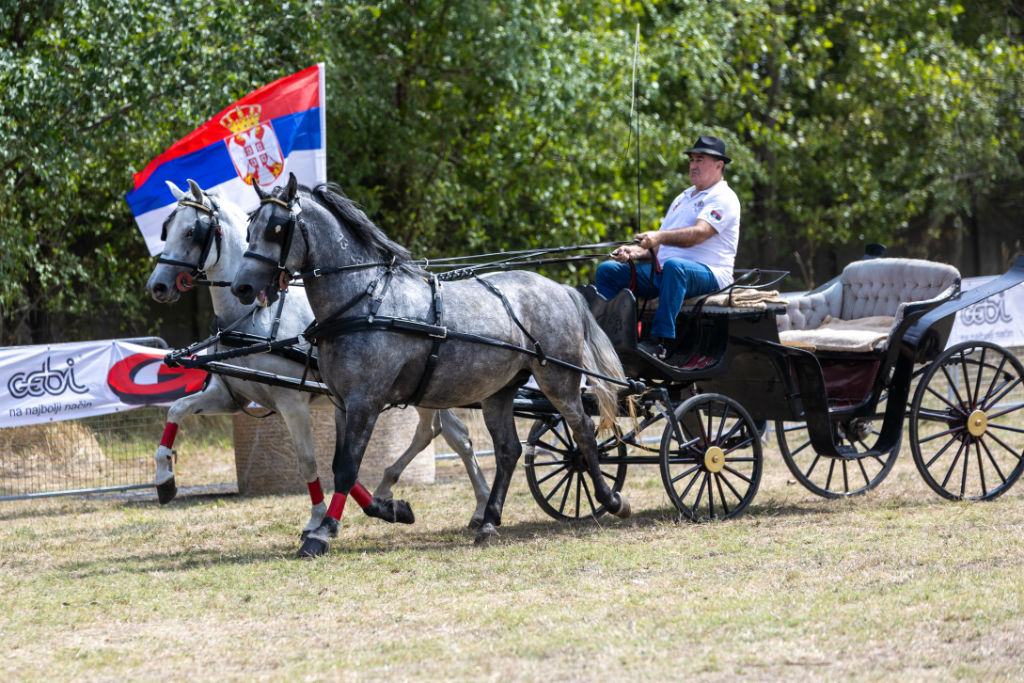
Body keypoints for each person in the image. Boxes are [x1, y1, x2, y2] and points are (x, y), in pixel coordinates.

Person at [595, 134, 740, 361]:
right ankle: (612, 339)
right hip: (668, 273)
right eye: (691, 160)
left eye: (700, 160)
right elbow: (659, 246)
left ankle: (659, 342)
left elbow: (699, 234)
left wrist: (658, 236)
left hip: (710, 275)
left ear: (719, 165)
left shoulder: (724, 197)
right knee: (607, 271)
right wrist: (636, 251)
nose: (693, 165)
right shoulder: (682, 198)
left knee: (675, 267)